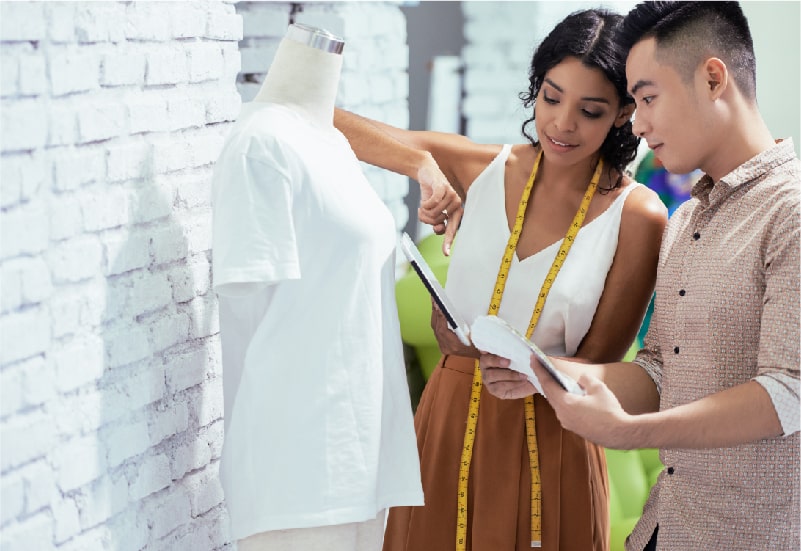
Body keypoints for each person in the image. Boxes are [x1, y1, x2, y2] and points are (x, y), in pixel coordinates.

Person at [335, 9, 667, 551]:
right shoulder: (484, 169)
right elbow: (329, 124)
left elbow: (606, 365)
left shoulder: (639, 216)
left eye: (590, 110)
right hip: (446, 421)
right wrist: (423, 166)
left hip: (553, 438)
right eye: (551, 97)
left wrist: (534, 369)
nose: (562, 124)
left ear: (624, 113)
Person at [481, 3, 800, 550]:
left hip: (753, 535)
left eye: (648, 98)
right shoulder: (685, 220)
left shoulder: (789, 212)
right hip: (665, 527)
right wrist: (549, 372)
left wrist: (628, 434)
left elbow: (788, 393)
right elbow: (657, 371)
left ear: (713, 78)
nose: (636, 122)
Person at [210, 23, 459, 551]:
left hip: (359, 455)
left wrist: (420, 164)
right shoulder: (262, 146)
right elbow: (255, 316)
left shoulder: (329, 143)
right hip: (297, 466)